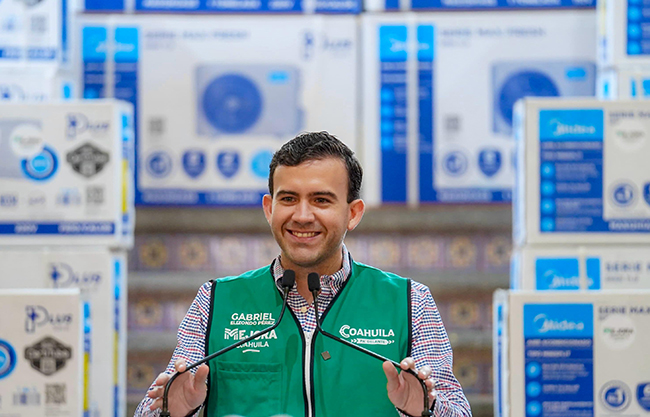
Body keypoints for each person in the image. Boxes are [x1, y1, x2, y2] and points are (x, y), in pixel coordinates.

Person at [136, 131, 472, 417]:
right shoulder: (215, 300)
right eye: (288, 199)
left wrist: (426, 409)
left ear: (353, 213)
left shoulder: (410, 301)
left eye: (321, 200)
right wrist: (172, 411)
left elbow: (456, 409)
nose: (302, 215)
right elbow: (155, 404)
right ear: (269, 208)